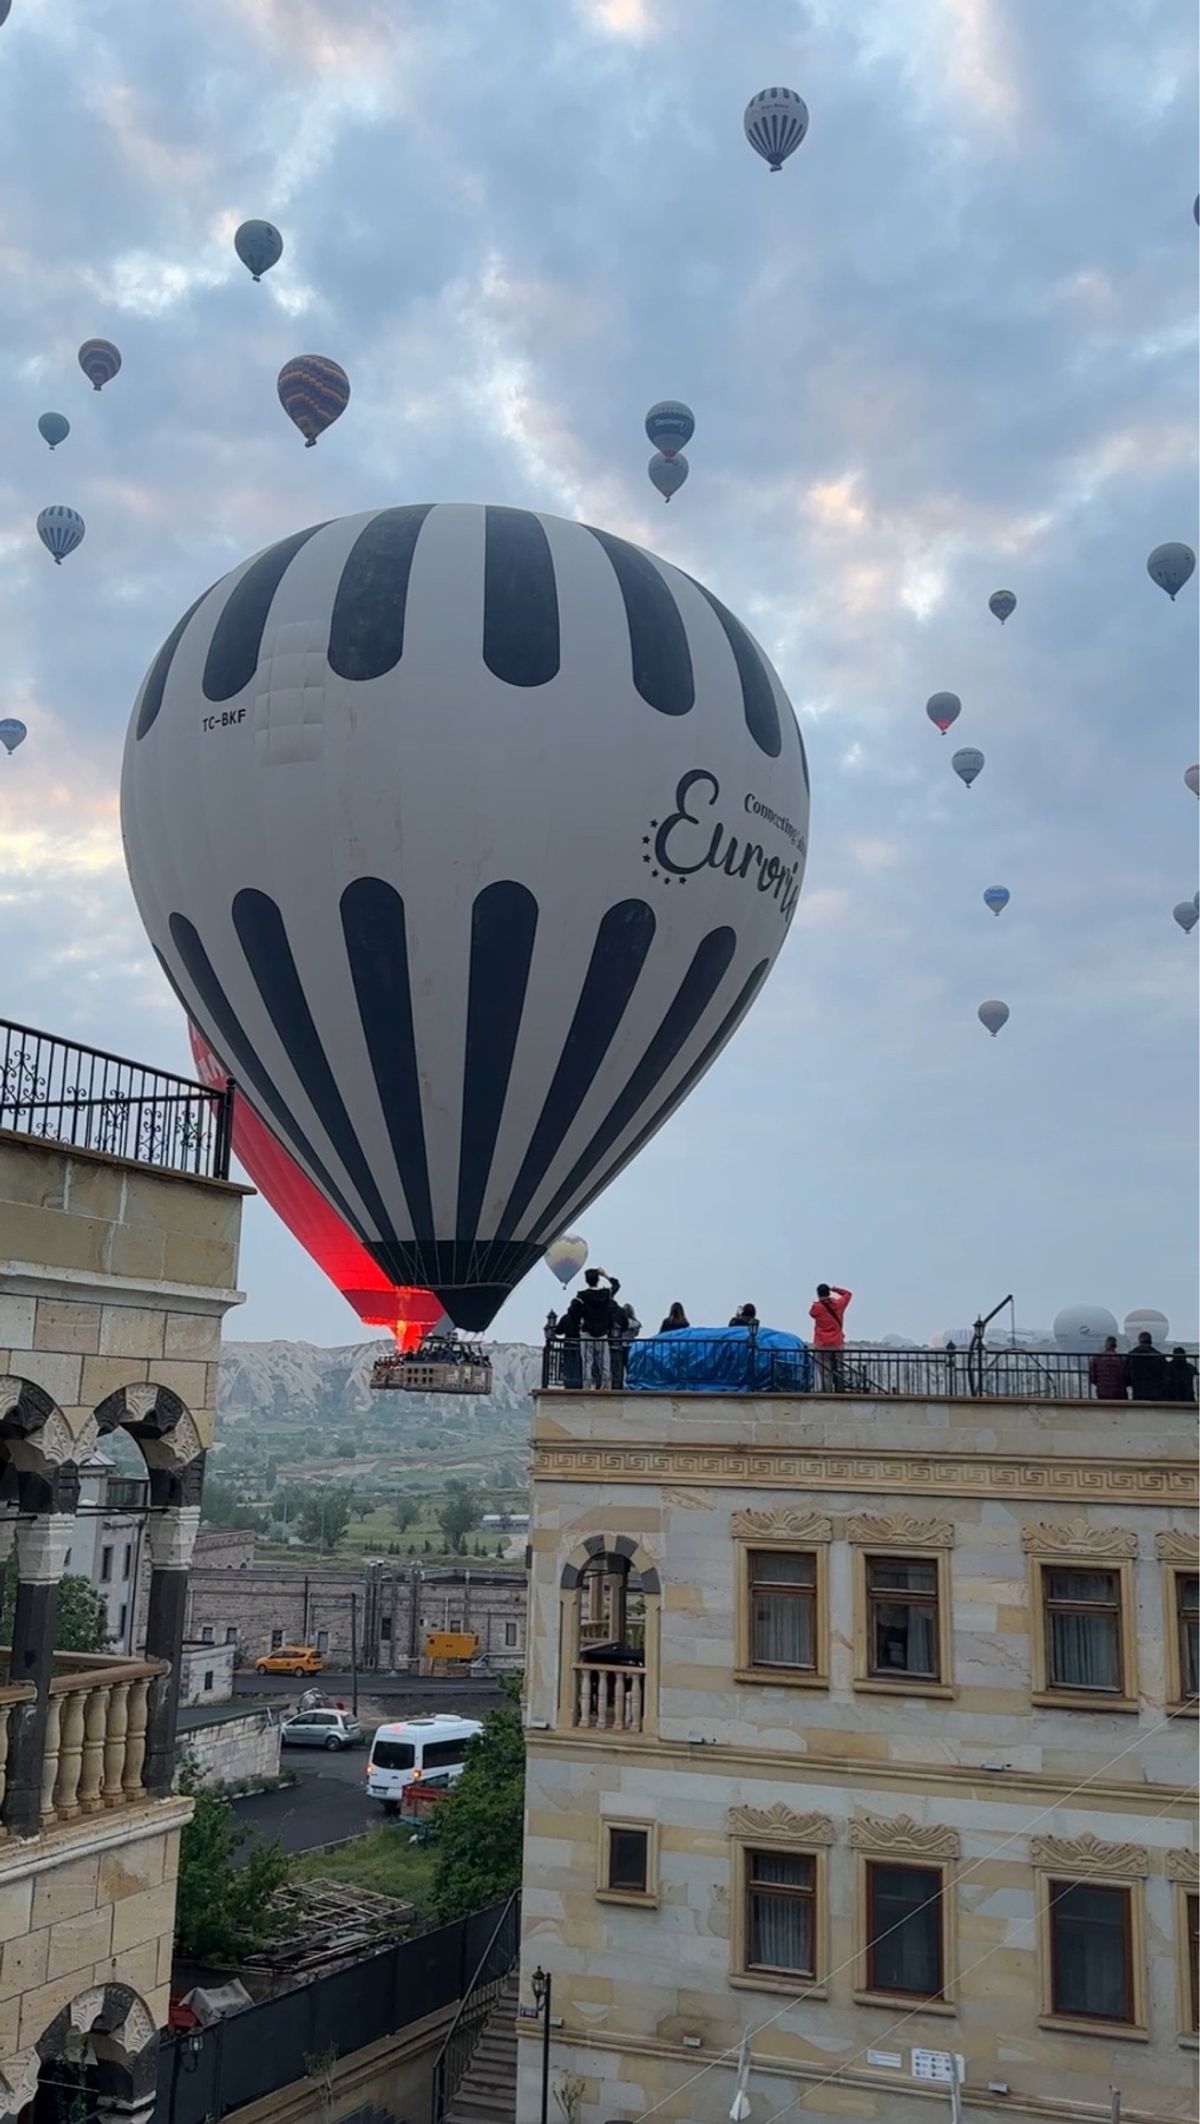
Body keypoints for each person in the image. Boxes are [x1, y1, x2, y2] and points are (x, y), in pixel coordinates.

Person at [555, 1267, 622, 1386]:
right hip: (602, 1334)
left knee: (587, 1363)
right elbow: (616, 1285)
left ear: (586, 1280)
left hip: (587, 1333)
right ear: (598, 1279)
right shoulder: (605, 1294)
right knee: (604, 1363)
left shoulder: (582, 1296)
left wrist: (579, 1321)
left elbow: (572, 1310)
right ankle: (606, 1387)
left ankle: (587, 1387)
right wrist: (606, 1275)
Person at [810, 1282, 852, 1391]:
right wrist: (834, 1288)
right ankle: (839, 1389)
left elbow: (811, 1313)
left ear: (818, 1294)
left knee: (825, 1370)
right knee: (839, 1368)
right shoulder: (839, 1305)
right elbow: (848, 1294)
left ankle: (827, 1391)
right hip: (837, 1343)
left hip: (822, 1344)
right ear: (829, 1292)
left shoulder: (816, 1307)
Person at [1126, 1330, 1168, 1401]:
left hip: (1138, 1391)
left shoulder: (1132, 1355)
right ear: (1151, 1341)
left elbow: (1126, 1374)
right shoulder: (1159, 1356)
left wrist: (1132, 1383)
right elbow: (1165, 1375)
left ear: (1139, 1341)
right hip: (1155, 1392)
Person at [1088, 1336, 1129, 1401]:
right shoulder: (1121, 1359)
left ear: (1105, 1345)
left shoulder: (1097, 1358)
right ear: (1115, 1345)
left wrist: (1100, 1384)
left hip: (1102, 1391)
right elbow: (1126, 1377)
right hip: (1118, 1392)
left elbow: (1092, 1377)